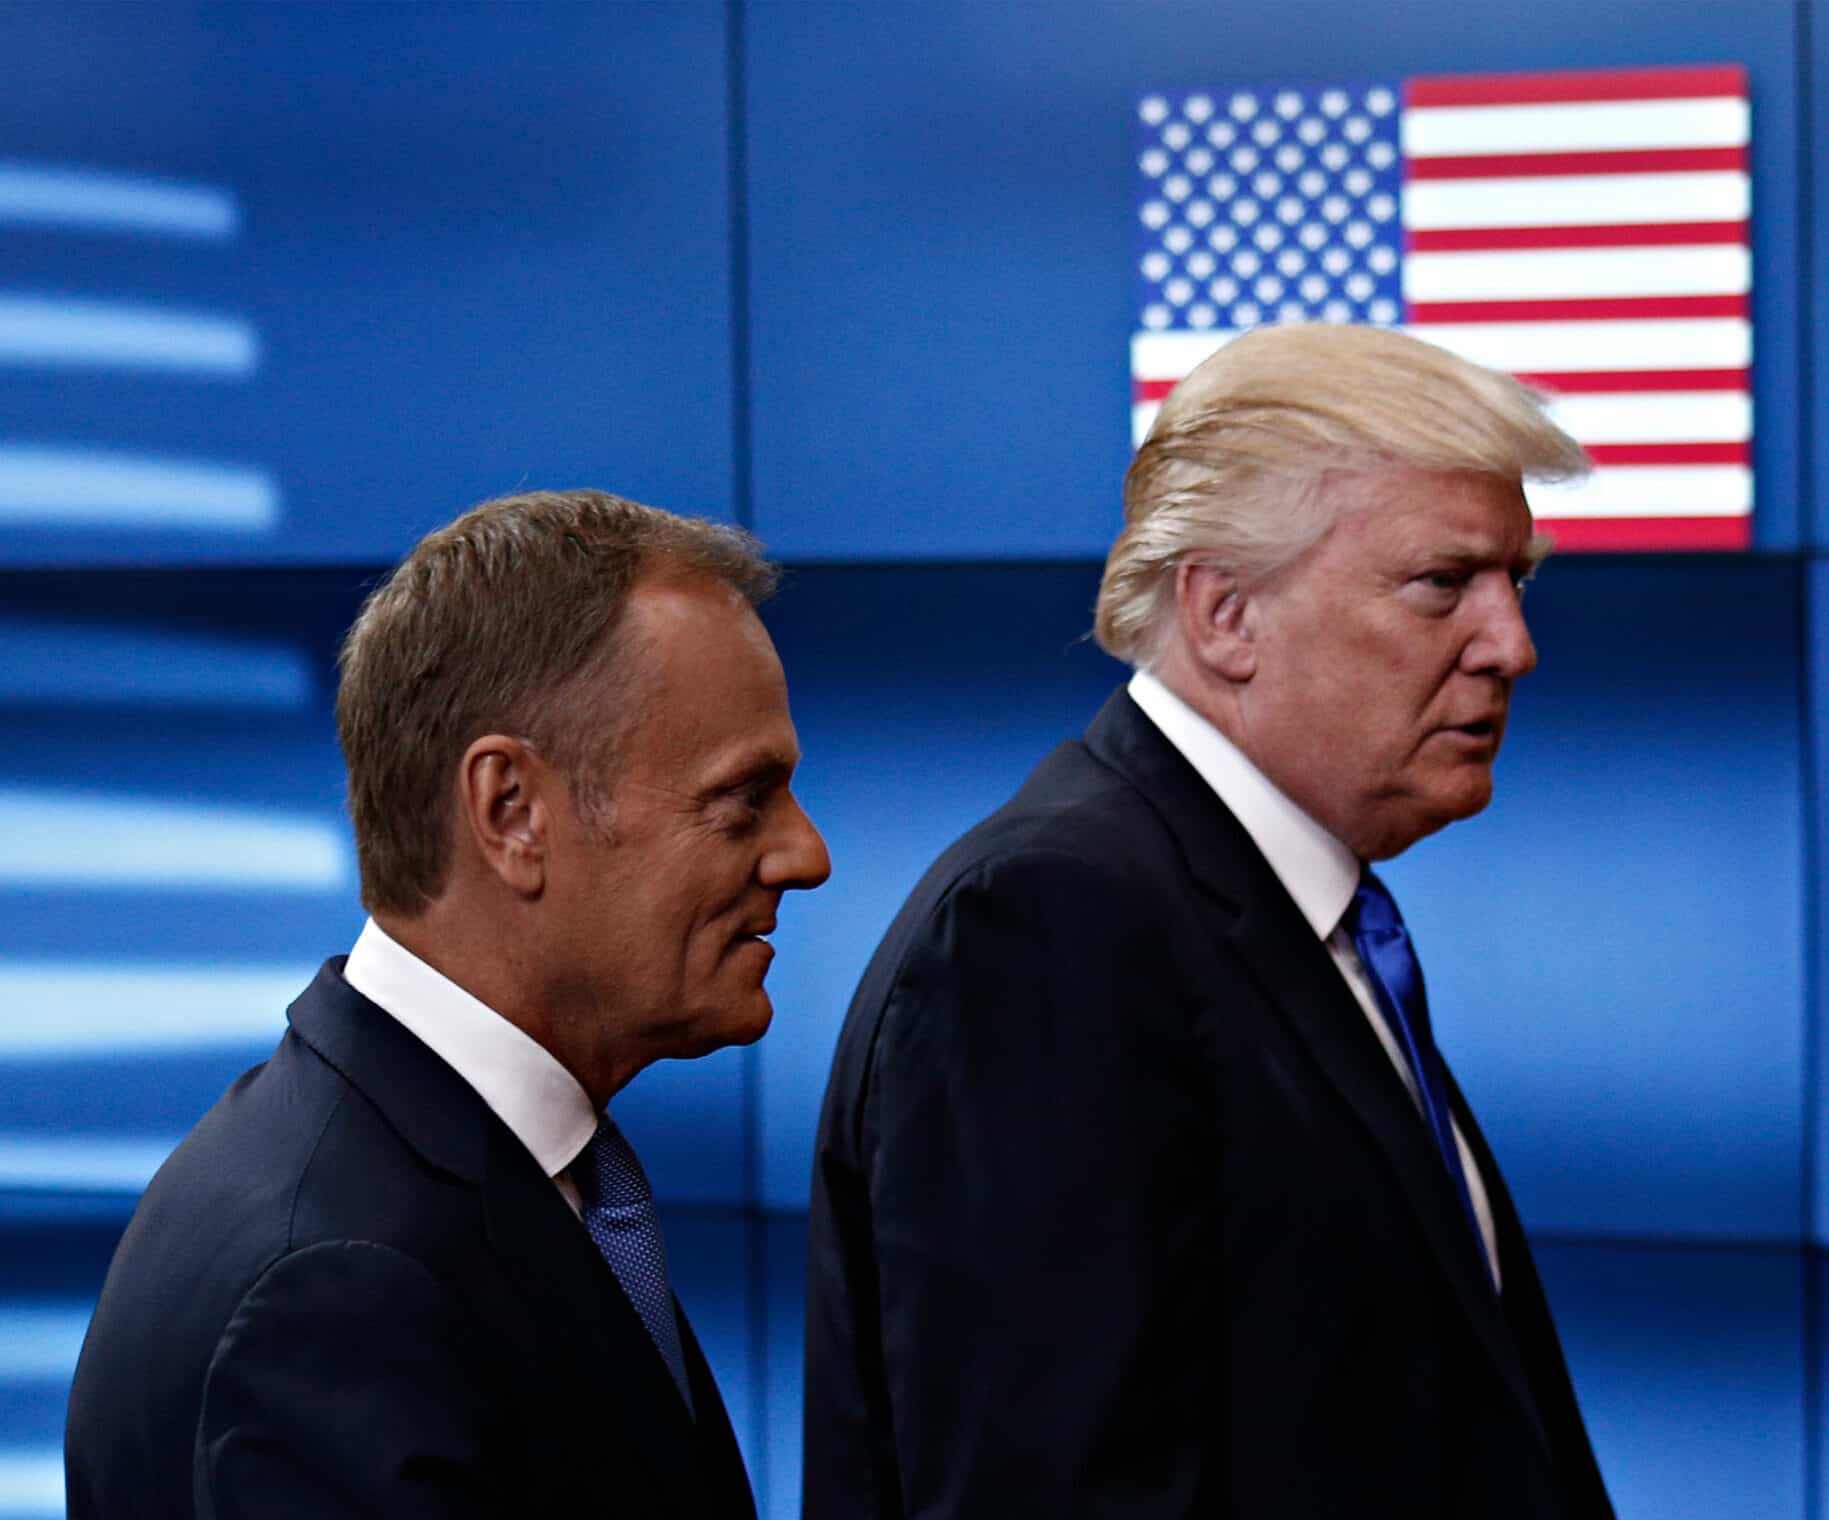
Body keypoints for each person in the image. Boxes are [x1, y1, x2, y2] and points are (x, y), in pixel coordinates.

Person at [803, 324, 1615, 1519]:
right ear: (1226, 612)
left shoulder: (1290, 908)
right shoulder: (1051, 926)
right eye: (1443, 583)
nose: (1512, 645)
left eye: (1516, 581)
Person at [65, 489, 831, 1518]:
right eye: (743, 799)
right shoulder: (335, 1287)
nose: (805, 854)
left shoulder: (435, 1181)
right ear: (510, 811)